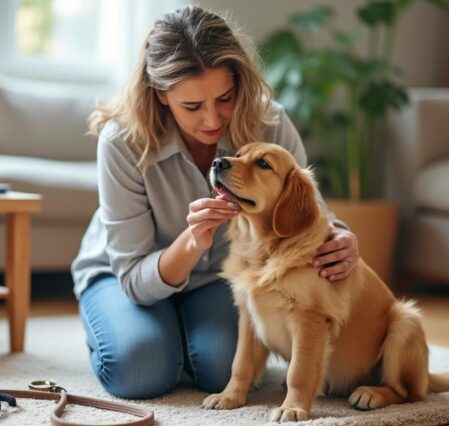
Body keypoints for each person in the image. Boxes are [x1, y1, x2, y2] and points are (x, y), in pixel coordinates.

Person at [70, 5, 358, 400]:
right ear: (161, 94)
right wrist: (192, 241)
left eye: (225, 98)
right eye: (192, 106)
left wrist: (339, 237)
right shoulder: (122, 141)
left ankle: (180, 335)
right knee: (141, 370)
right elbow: (135, 279)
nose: (212, 120)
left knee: (225, 369)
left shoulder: (270, 123)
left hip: (219, 279)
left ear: (239, 81)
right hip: (127, 277)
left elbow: (308, 208)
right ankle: (130, 329)